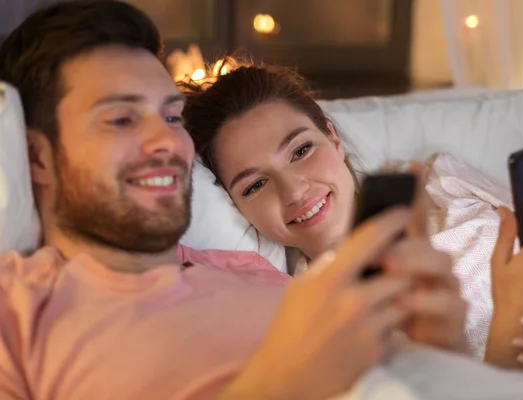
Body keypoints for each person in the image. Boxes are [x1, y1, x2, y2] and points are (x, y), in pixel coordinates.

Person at [0, 2, 473, 399]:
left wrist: (455, 350)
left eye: (170, 118)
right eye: (121, 119)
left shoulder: (255, 274)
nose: (165, 143)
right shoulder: (20, 313)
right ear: (37, 156)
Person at [182, 64, 523, 374]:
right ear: (236, 206)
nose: (293, 191)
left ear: (333, 137)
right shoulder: (310, 312)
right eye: (255, 185)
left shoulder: (440, 179)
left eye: (301, 151)